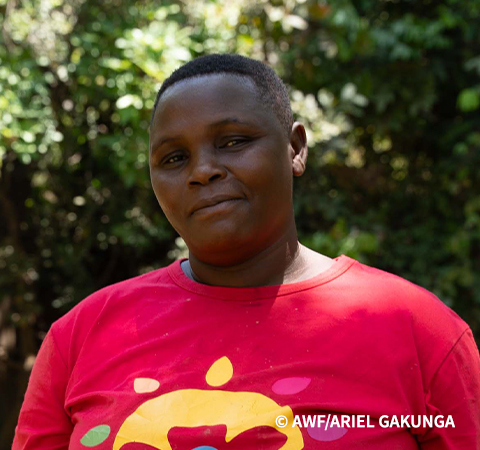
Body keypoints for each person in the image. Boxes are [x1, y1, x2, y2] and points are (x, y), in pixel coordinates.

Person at [12, 54, 480, 450]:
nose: (203, 171)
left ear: (295, 149)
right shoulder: (81, 336)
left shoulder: (418, 330)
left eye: (233, 142)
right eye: (174, 158)